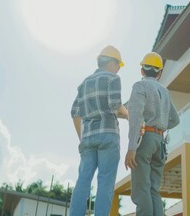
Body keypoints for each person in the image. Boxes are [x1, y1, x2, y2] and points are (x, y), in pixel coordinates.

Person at [69, 45, 128, 216]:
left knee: (83, 181)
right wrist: (129, 114)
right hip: (108, 136)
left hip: (87, 139)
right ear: (111, 62)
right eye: (118, 65)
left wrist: (83, 138)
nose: (118, 69)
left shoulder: (83, 84)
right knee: (105, 183)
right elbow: (116, 106)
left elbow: (74, 113)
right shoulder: (113, 79)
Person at [125, 52, 180, 215]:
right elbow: (175, 120)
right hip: (160, 142)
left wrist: (132, 147)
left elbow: (135, 117)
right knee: (153, 189)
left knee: (141, 189)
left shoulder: (140, 86)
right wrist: (160, 126)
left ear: (142, 70)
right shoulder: (165, 91)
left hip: (145, 139)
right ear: (160, 73)